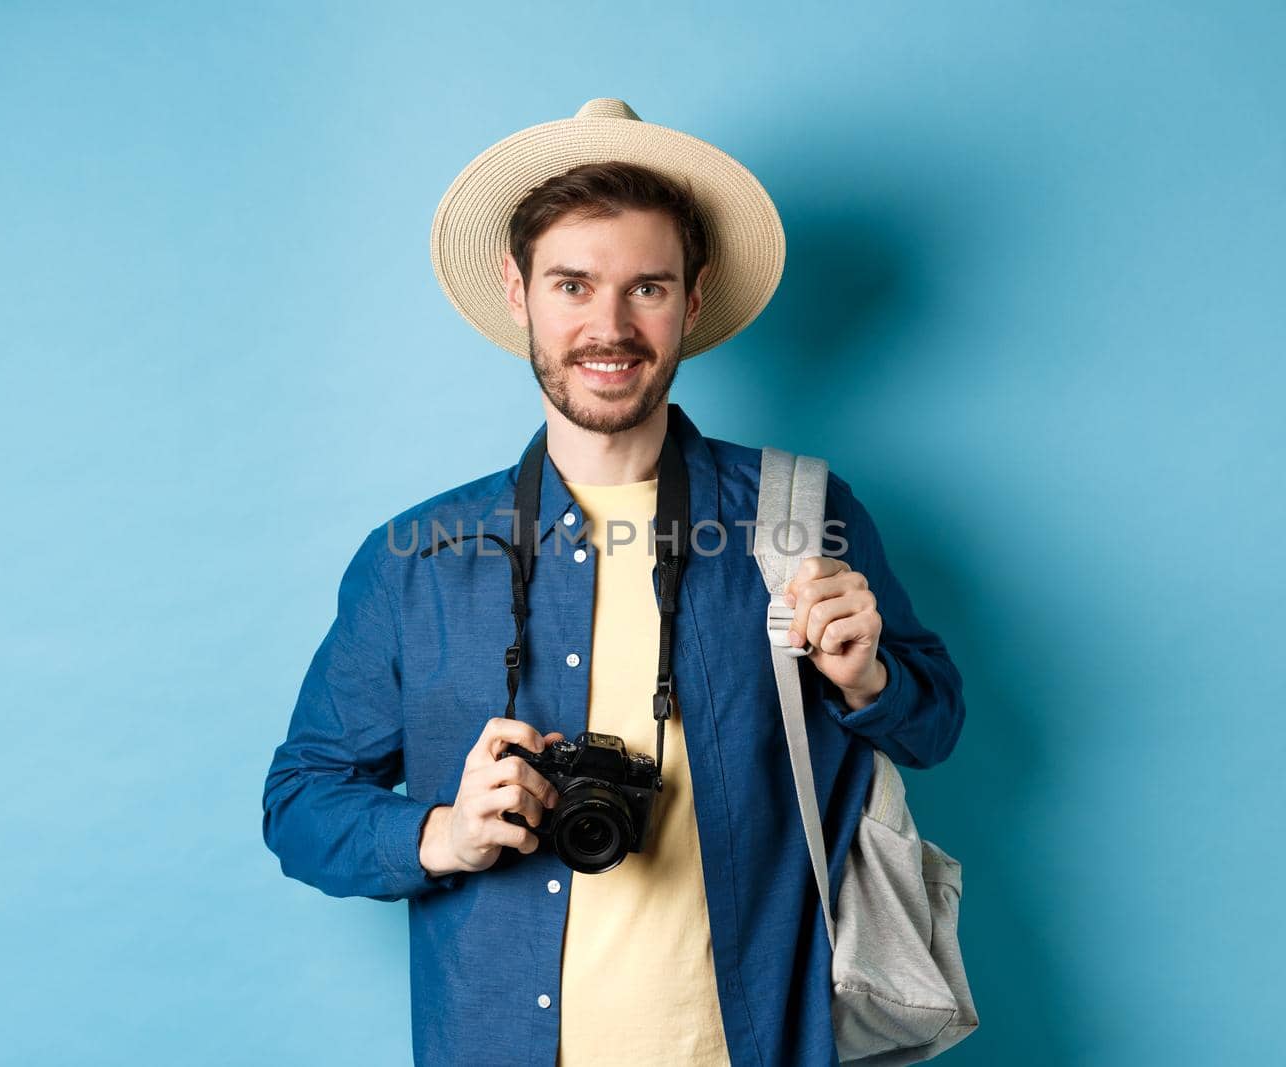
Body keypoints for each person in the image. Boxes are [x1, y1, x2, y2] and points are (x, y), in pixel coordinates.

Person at [262, 98, 966, 1067]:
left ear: (692, 295)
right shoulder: (415, 556)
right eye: (572, 284)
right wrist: (444, 833)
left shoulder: (797, 512)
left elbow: (935, 724)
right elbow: (300, 801)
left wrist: (866, 678)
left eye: (646, 288)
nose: (607, 325)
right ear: (518, 292)